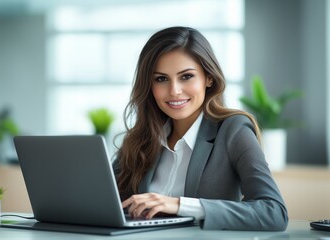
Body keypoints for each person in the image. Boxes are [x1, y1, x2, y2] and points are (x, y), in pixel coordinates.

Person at [112, 26, 288, 231]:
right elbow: (105, 204)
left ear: (209, 78)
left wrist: (179, 205)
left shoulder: (233, 130)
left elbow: (274, 212)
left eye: (186, 76)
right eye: (161, 79)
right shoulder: (139, 139)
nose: (174, 91)